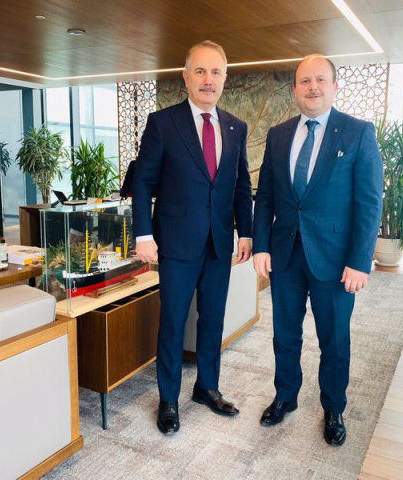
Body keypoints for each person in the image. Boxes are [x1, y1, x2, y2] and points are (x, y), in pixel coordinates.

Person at [251, 54, 383, 446]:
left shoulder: (358, 132)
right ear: (295, 89)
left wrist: (360, 261)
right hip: (285, 255)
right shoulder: (278, 134)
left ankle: (334, 406)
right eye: (305, 81)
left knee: (334, 339)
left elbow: (369, 202)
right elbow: (266, 197)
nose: (313, 87)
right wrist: (261, 246)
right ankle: (285, 396)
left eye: (320, 80)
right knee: (284, 334)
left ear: (334, 86)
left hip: (336, 259)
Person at [130, 40, 254, 435]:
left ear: (224, 79)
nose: (208, 79)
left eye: (215, 72)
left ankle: (207, 387)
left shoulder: (235, 127)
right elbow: (143, 183)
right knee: (173, 321)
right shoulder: (162, 123)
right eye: (200, 71)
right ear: (186, 77)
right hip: (176, 242)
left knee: (213, 318)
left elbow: (240, 185)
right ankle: (168, 398)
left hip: (219, 242)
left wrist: (247, 232)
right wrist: (143, 234)